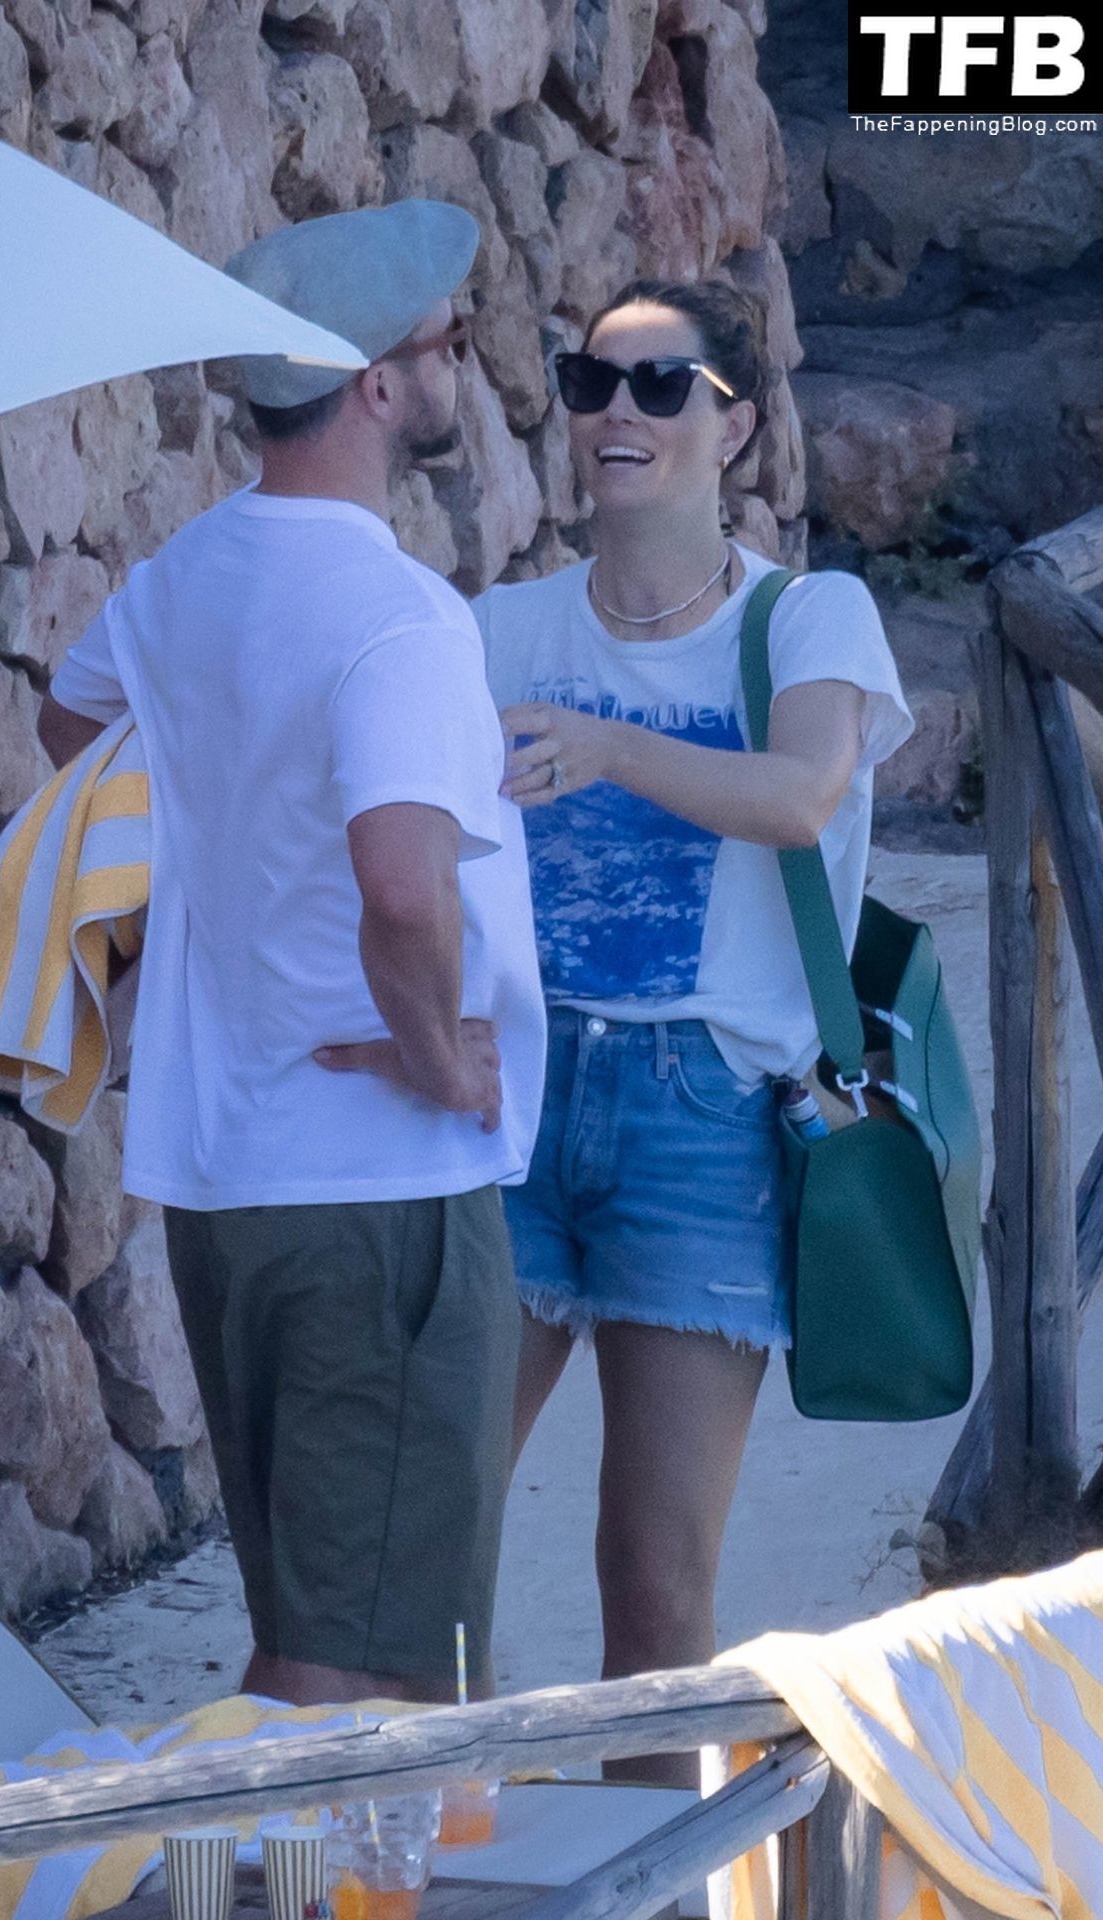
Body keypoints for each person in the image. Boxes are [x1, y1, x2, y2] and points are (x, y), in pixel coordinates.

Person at [37, 201, 545, 1708]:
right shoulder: (399, 617)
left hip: (230, 1181)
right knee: (363, 1671)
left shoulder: (181, 578)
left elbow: (71, 728)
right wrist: (441, 1052)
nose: (459, 366)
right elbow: (403, 888)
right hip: (378, 1187)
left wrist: (214, 850)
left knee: (322, 1628)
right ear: (377, 382)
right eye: (446, 343)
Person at [473, 278, 912, 1781]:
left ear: (734, 427)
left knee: (654, 1585)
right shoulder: (503, 629)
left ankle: (645, 1876)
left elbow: (796, 793)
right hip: (517, 1099)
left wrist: (603, 747)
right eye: (592, 382)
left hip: (704, 1116)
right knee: (432, 1533)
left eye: (664, 387)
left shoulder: (808, 617)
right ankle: (439, 1843)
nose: (620, 412)